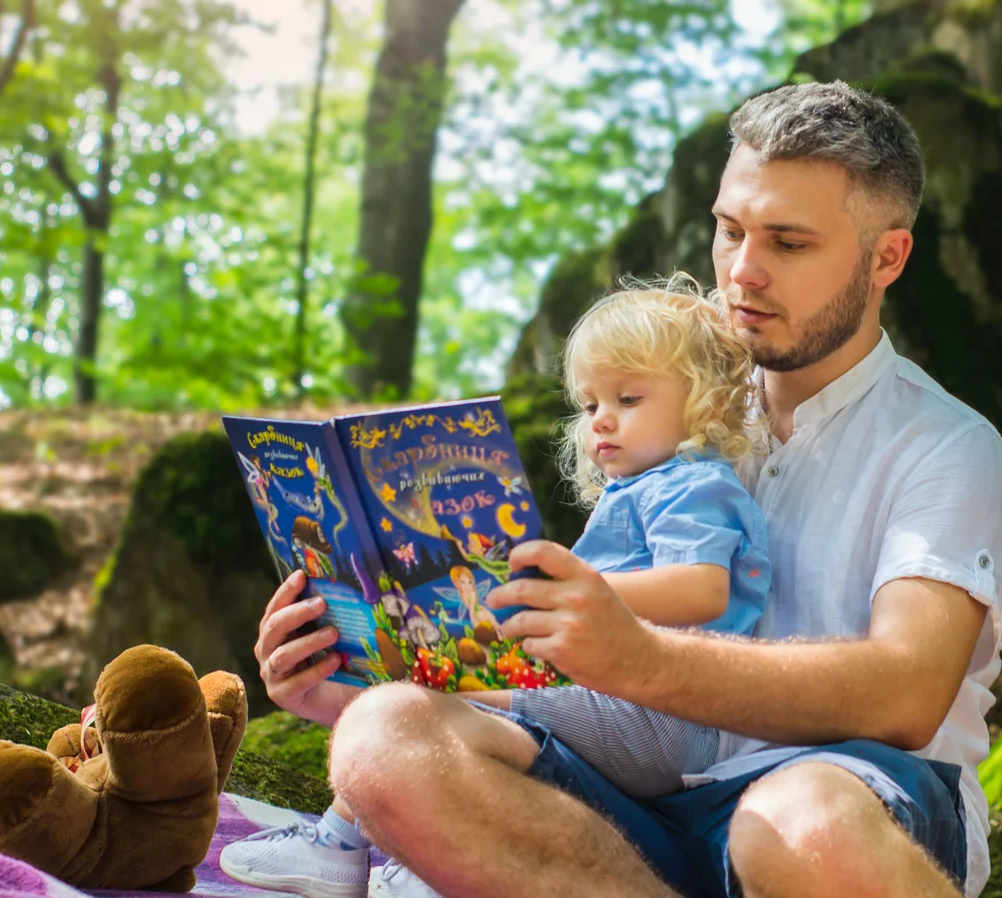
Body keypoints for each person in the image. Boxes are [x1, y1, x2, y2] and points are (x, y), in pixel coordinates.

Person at [255, 80, 1002, 898]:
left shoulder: (947, 447)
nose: (743, 272)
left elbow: (907, 693)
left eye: (788, 244)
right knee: (382, 735)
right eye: (728, 232)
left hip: (847, 798)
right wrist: (354, 667)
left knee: (802, 819)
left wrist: (638, 656)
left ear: (886, 258)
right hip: (636, 806)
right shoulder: (672, 412)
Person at [222, 283, 773, 897]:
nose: (602, 420)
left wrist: (575, 591)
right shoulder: (642, 489)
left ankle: (342, 846)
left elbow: (703, 590)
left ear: (710, 401)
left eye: (629, 397)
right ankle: (395, 848)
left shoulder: (694, 485)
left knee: (442, 699)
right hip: (623, 706)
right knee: (432, 696)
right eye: (589, 405)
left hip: (660, 718)